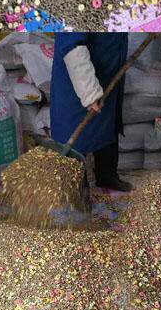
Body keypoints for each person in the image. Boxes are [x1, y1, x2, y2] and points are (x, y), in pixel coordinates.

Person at [50, 33, 133, 192]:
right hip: (79, 79)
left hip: (107, 73)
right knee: (74, 132)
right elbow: (71, 45)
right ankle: (73, 187)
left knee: (107, 126)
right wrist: (89, 93)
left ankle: (107, 176)